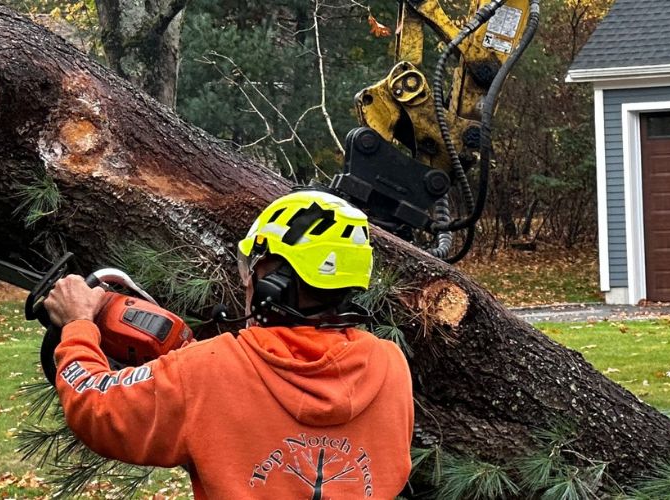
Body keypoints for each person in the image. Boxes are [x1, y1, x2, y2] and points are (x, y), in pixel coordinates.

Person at [42, 190, 413, 499]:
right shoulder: (391, 366)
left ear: (272, 280)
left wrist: (77, 325)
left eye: (255, 266)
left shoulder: (208, 371)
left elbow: (95, 405)